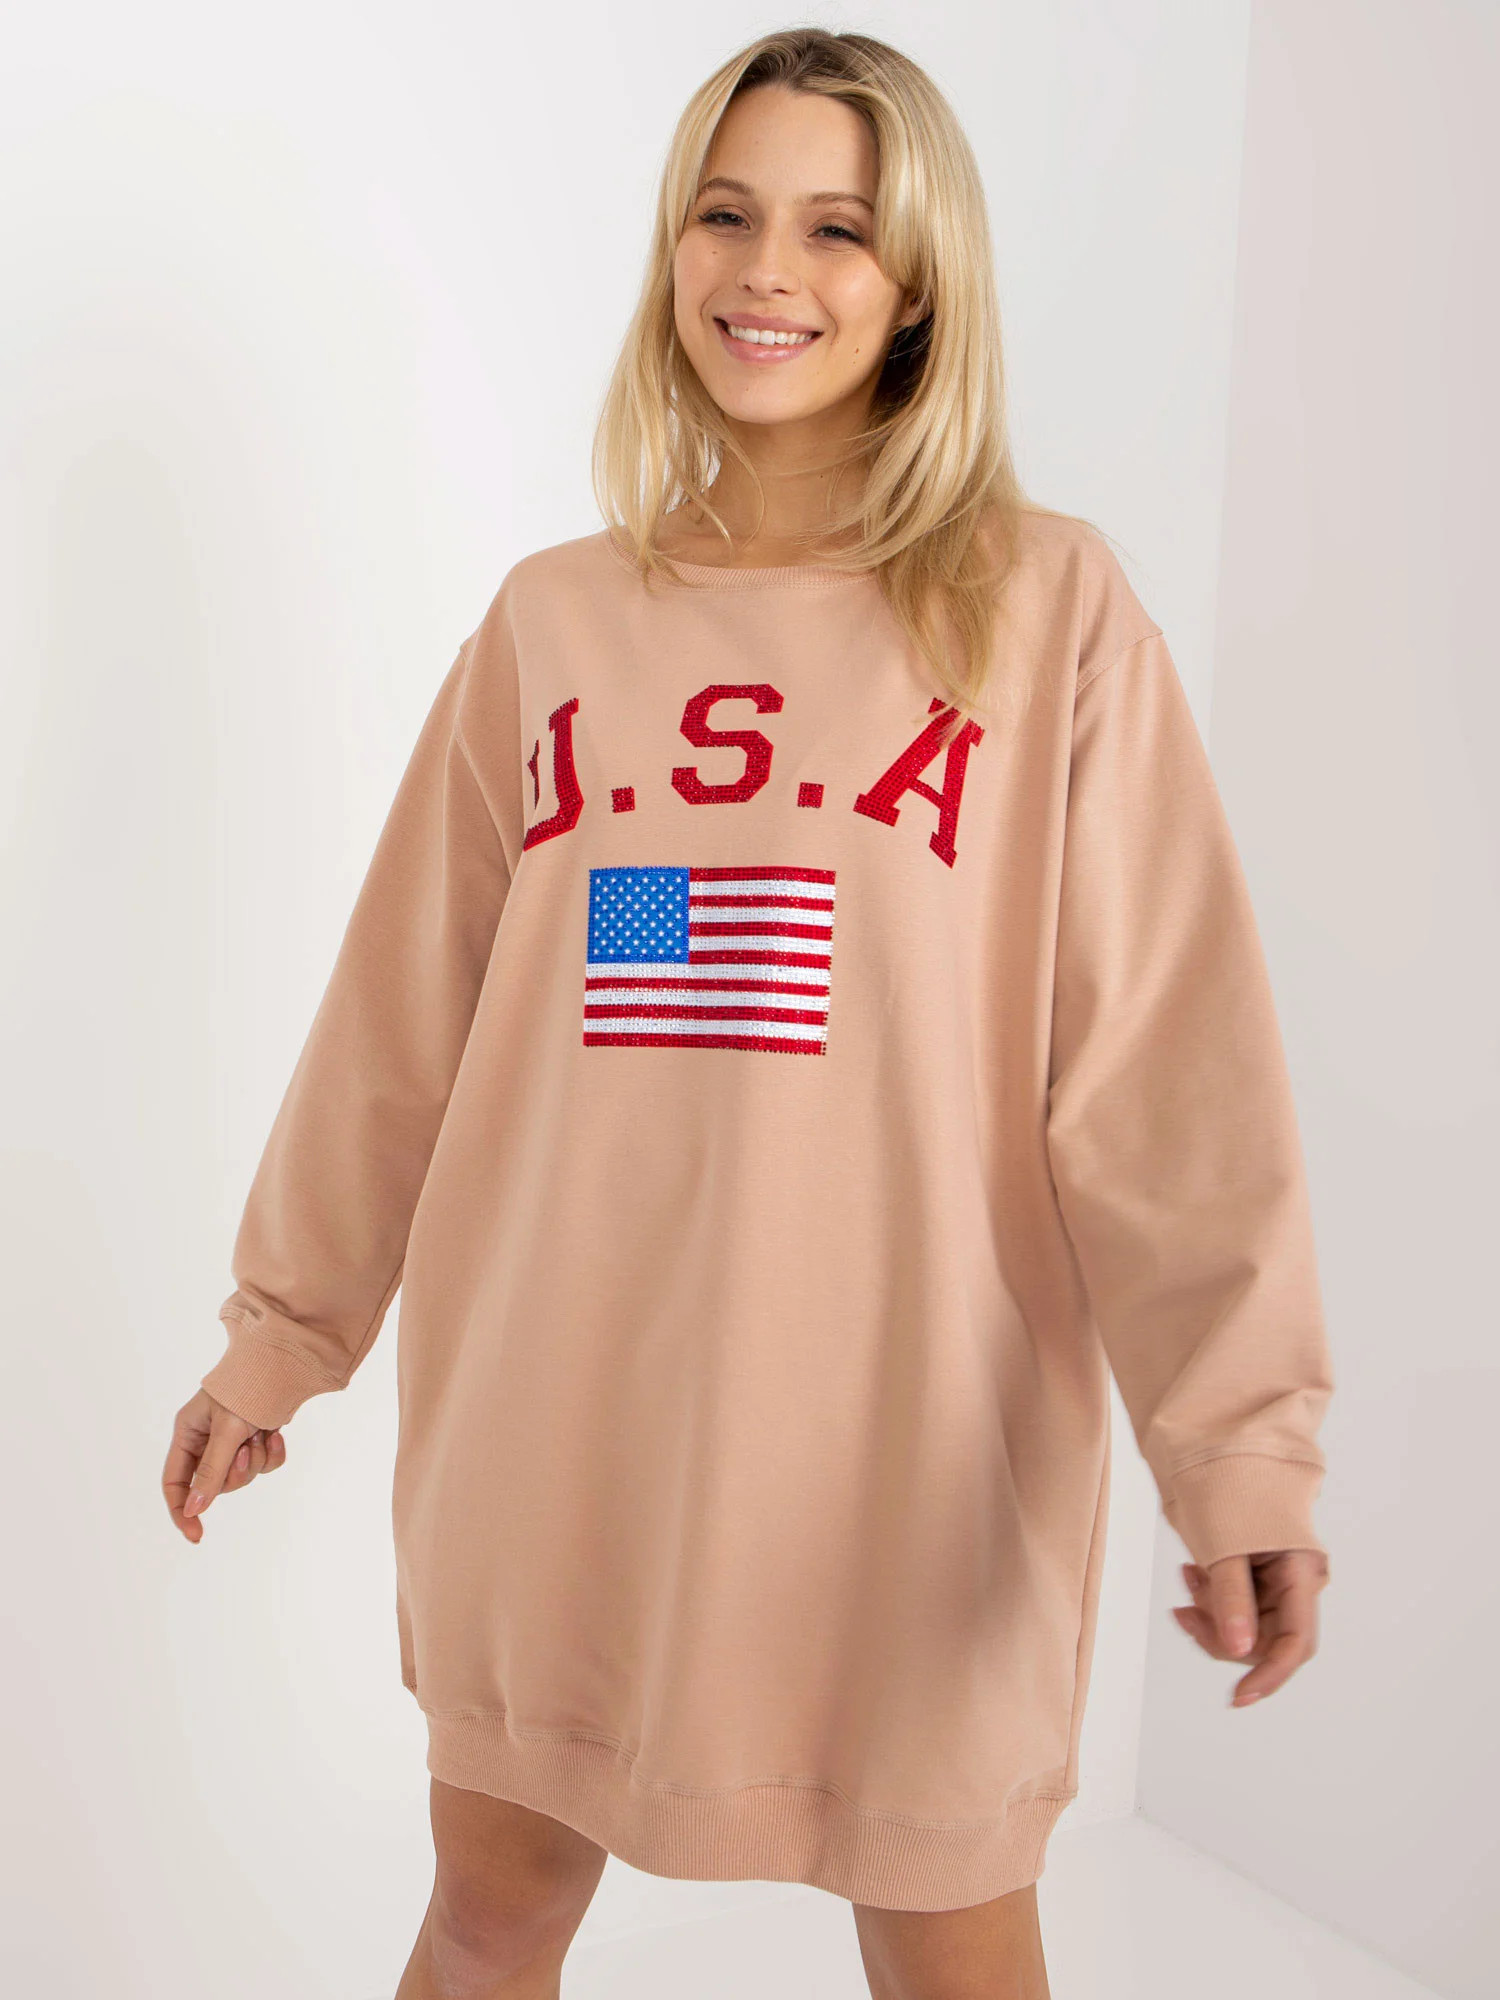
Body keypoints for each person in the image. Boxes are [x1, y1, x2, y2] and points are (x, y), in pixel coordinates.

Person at [161, 27, 1335, 2000]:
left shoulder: (1048, 613)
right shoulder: (553, 620)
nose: (766, 270)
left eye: (836, 229)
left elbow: (1163, 1073)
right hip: (561, 1433)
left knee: (953, 1951)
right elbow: (401, 1021)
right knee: (489, 1917)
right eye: (726, 213)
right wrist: (278, 1336)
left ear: (919, 284)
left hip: (910, 1453)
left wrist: (1240, 1452)